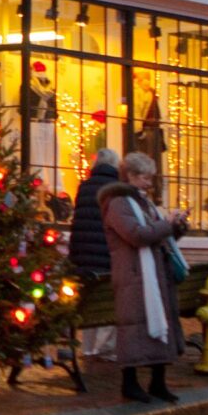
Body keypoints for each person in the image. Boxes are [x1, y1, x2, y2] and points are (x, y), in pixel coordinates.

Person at [100, 151, 187, 404]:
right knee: (134, 328)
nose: (150, 183)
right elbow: (136, 235)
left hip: (154, 274)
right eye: (146, 178)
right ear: (131, 176)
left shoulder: (143, 202)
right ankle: (130, 382)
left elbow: (158, 235)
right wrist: (167, 225)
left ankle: (157, 381)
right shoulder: (118, 203)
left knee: (159, 324)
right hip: (133, 275)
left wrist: (177, 226)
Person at [66, 147, 122, 362]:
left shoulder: (84, 186)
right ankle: (105, 348)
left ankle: (88, 348)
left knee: (89, 301)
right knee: (110, 301)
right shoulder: (117, 190)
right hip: (107, 255)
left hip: (82, 256)